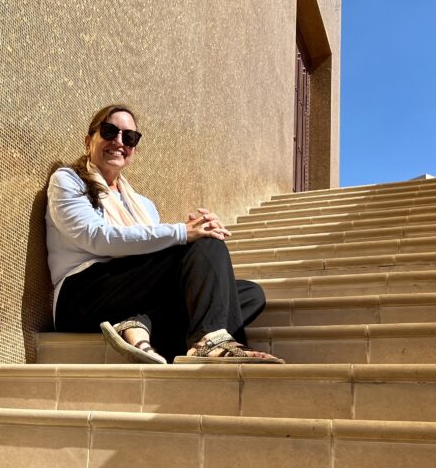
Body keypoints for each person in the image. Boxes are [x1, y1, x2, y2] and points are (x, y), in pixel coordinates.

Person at [45, 103, 283, 364]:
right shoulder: (68, 180)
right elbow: (97, 237)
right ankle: (208, 341)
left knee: (249, 294)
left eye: (129, 137)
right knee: (204, 247)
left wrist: (195, 231)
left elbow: (154, 251)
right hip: (82, 295)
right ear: (89, 140)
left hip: (132, 290)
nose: (119, 141)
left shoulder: (143, 204)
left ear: (134, 149)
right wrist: (185, 233)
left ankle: (143, 325)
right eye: (109, 131)